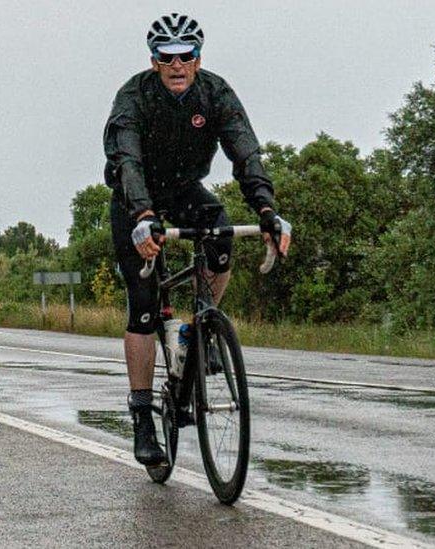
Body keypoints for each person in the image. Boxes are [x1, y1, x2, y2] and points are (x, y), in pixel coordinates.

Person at [103, 14, 292, 466]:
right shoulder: (133, 97)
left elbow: (245, 150)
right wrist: (143, 216)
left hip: (187, 189)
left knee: (222, 238)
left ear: (198, 58)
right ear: (154, 62)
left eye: (185, 55)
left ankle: (202, 327)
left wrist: (266, 210)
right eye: (166, 57)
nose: (177, 64)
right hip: (136, 198)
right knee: (144, 306)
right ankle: (143, 416)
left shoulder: (216, 92)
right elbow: (126, 160)